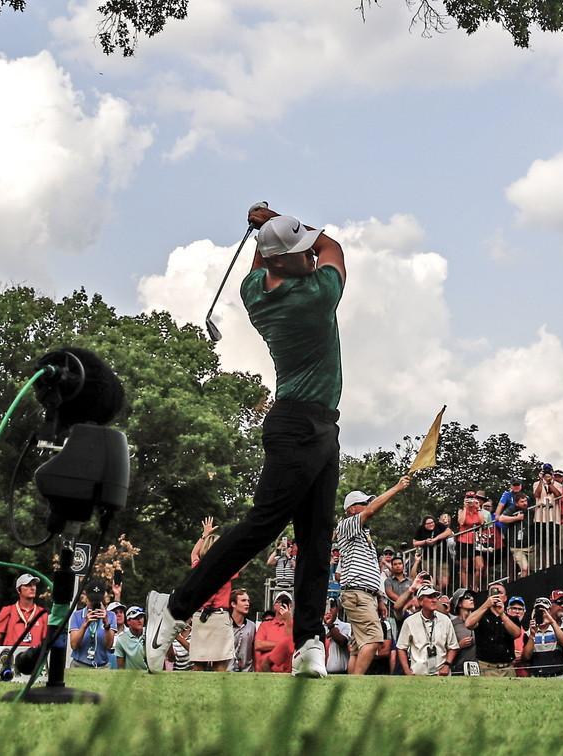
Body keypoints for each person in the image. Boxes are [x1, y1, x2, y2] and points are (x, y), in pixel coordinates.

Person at [146, 206, 348, 680]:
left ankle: (308, 643)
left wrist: (264, 232)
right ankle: (173, 610)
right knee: (261, 527)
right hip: (299, 424)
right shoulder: (317, 296)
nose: (308, 256)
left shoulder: (254, 290)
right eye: (298, 252)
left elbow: (272, 257)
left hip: (317, 427)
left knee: (316, 539)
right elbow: (333, 248)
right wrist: (274, 216)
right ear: (282, 261)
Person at [337, 476, 412, 675]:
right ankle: (354, 686)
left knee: (356, 647)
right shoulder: (347, 525)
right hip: (357, 594)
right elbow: (372, 511)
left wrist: (378, 598)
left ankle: (349, 687)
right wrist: (396, 488)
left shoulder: (363, 533)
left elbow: (370, 571)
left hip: (364, 594)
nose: (368, 506)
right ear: (351, 509)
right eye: (363, 503)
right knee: (374, 640)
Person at [184, 518, 238, 672]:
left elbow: (194, 553)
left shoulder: (198, 567)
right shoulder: (226, 568)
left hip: (200, 618)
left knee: (198, 664)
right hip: (219, 618)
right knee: (220, 664)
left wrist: (204, 535)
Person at [397, 586, 458, 676]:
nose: (434, 600)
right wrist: (407, 671)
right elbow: (401, 647)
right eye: (429, 597)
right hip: (418, 674)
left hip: (441, 674)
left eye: (435, 597)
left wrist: (447, 665)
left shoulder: (445, 620)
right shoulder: (410, 622)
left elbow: (453, 646)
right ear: (420, 601)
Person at [69, 582, 117, 669]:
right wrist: (85, 625)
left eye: (97, 601)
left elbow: (109, 645)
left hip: (102, 666)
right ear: (86, 598)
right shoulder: (77, 615)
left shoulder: (111, 616)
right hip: (80, 664)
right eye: (92, 601)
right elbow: (74, 645)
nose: (94, 604)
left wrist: (106, 623)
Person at [0, 573, 48, 650]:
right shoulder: (8, 611)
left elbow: (45, 641)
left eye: (34, 585)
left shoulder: (42, 613)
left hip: (34, 658)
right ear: (18, 590)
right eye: (27, 585)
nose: (32, 588)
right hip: (11, 658)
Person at [522, 597, 563, 678]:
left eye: (544, 611)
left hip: (557, 676)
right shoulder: (528, 633)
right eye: (538, 611)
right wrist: (532, 635)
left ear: (549, 612)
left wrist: (552, 621)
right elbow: (526, 657)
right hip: (536, 676)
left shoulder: (558, 629)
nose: (541, 614)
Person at [531, 464, 563, 569]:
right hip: (540, 518)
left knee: (553, 543)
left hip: (554, 518)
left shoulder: (557, 484)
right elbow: (536, 494)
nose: (547, 474)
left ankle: (553, 564)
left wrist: (550, 483)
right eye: (546, 472)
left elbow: (558, 495)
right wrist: (541, 480)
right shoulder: (536, 483)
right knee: (541, 543)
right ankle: (542, 565)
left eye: (549, 472)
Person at [498, 493, 536, 578]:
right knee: (524, 568)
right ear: (516, 503)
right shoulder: (512, 509)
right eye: (522, 502)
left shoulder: (530, 508)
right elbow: (501, 518)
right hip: (517, 547)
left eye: (525, 501)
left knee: (532, 569)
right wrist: (516, 518)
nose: (525, 503)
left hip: (530, 545)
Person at [456, 492, 488, 590]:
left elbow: (482, 522)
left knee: (480, 566)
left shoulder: (477, 510)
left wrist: (478, 507)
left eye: (472, 498)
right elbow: (461, 522)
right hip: (463, 540)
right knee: (464, 567)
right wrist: (466, 507)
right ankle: (465, 589)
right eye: (468, 498)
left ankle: (475, 587)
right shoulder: (461, 510)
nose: (470, 501)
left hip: (476, 541)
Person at [255, 592, 294, 673]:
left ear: (290, 606)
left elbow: (293, 647)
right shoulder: (265, 625)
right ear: (274, 606)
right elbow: (258, 645)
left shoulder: (295, 625)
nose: (282, 605)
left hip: (287, 672)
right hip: (265, 671)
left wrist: (288, 619)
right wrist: (283, 645)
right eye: (279, 601)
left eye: (286, 602)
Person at [412, 515, 452, 592]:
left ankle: (437, 593)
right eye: (428, 523)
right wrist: (425, 542)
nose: (431, 524)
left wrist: (435, 539)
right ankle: (430, 594)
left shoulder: (439, 525)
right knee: (428, 580)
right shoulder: (420, 529)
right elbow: (415, 543)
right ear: (424, 525)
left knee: (444, 582)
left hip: (442, 558)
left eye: (432, 522)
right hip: (427, 559)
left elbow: (449, 532)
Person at [448, 589, 478, 674]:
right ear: (459, 603)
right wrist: (459, 645)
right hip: (458, 669)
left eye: (472, 597)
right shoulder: (452, 624)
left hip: (478, 669)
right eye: (467, 597)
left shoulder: (479, 622)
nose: (471, 599)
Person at [321, 599, 352, 675]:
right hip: (319, 673)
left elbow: (342, 642)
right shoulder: (317, 627)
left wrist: (330, 626)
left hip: (340, 674)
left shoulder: (345, 626)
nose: (328, 611)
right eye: (326, 607)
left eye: (331, 607)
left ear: (337, 609)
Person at [229, 589, 256, 672]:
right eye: (243, 600)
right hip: (227, 672)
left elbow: (254, 652)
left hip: (247, 673)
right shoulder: (225, 625)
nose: (247, 604)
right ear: (233, 604)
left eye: (248, 601)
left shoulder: (252, 626)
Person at [114, 607, 148, 671]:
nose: (139, 620)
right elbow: (120, 668)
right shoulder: (121, 639)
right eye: (136, 618)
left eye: (141, 617)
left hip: (150, 675)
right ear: (128, 621)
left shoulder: (150, 634)